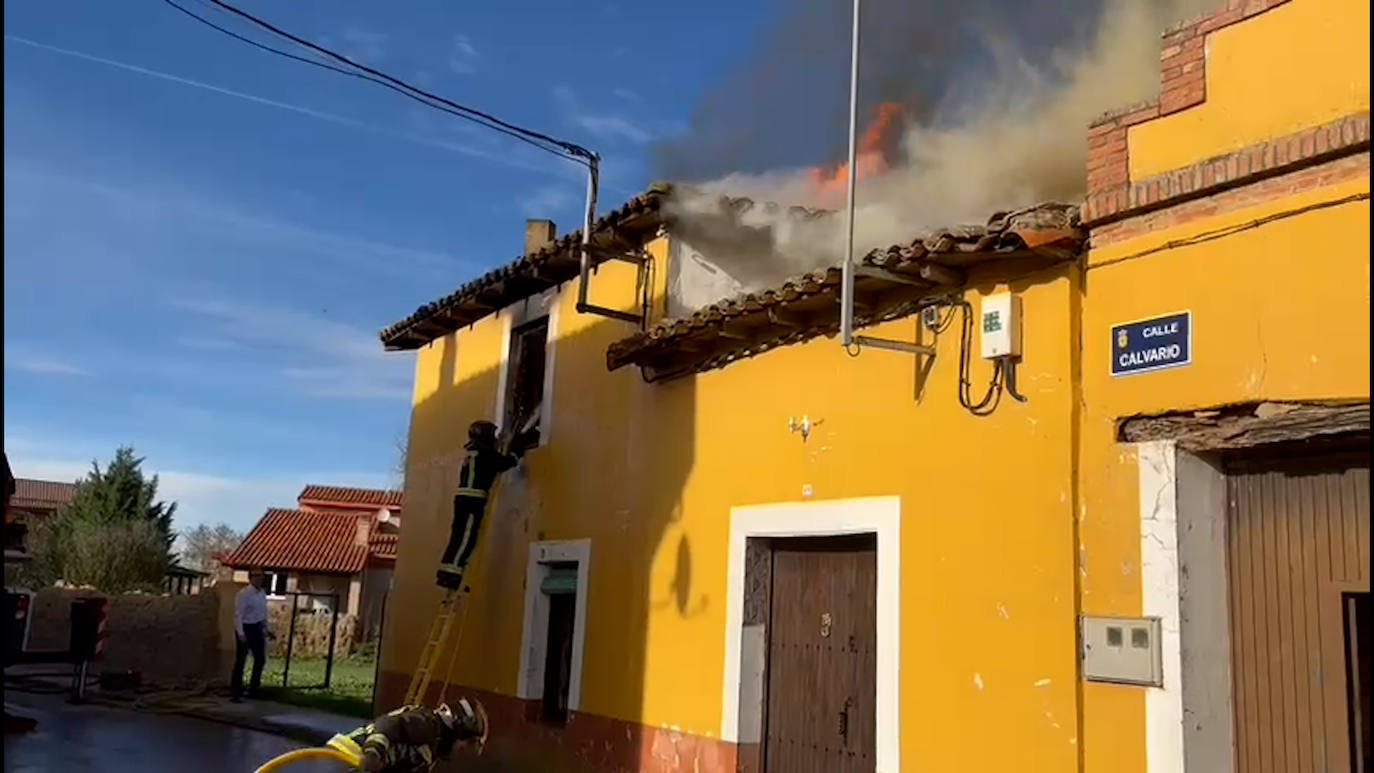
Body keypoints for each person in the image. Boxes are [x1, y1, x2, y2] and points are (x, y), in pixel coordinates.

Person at [435, 420, 527, 588]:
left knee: (458, 535)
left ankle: (446, 571)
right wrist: (516, 452)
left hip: (463, 498)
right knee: (467, 537)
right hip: (473, 500)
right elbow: (504, 463)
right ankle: (453, 573)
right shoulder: (484, 452)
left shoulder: (472, 451)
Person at [328, 699, 488, 773]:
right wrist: (373, 753)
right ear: (459, 732)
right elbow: (388, 724)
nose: (462, 750)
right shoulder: (429, 724)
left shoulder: (431, 749)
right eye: (466, 743)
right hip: (344, 758)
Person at [231, 570, 269, 702]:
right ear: (251, 578)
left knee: (260, 659)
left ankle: (254, 689)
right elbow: (238, 614)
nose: (259, 579)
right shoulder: (244, 594)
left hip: (257, 627)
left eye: (261, 576)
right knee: (241, 661)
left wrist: (265, 628)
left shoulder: (262, 593)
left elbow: (263, 613)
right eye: (256, 576)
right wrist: (241, 633)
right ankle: (236, 692)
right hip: (246, 627)